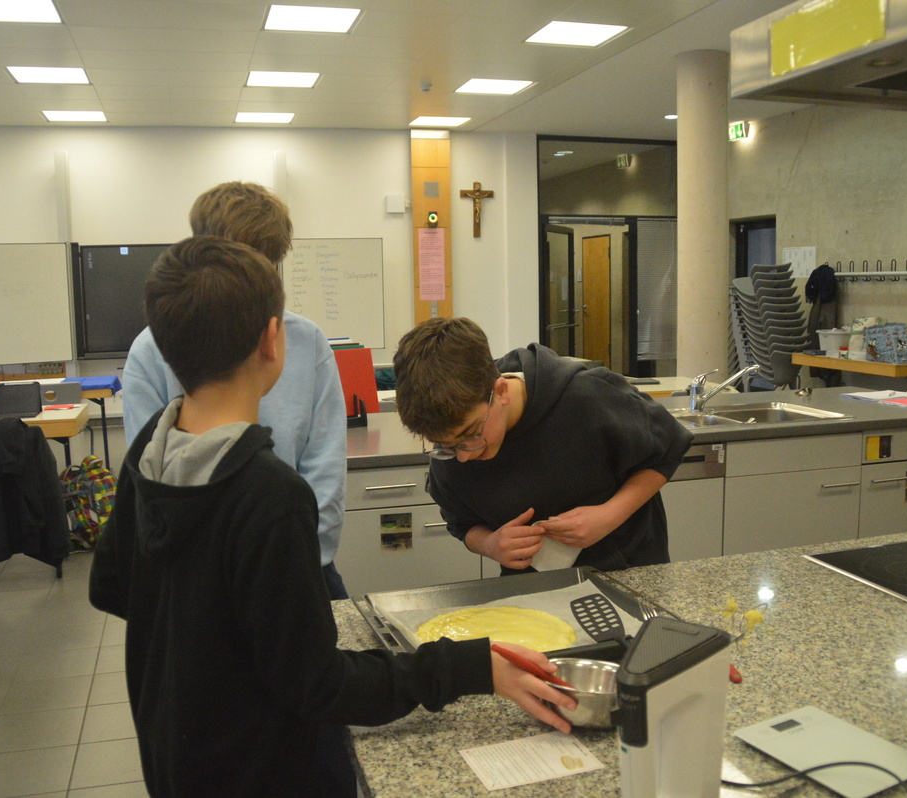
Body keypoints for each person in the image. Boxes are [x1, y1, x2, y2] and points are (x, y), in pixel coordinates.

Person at [89, 237, 575, 797]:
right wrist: (471, 667)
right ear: (272, 340)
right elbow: (319, 684)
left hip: (173, 758)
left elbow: (110, 585)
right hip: (261, 774)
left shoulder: (151, 448)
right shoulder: (268, 493)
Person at [120, 181, 349, 600]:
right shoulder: (151, 350)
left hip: (299, 562)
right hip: (197, 575)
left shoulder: (304, 341)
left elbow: (325, 466)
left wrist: (295, 556)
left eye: (261, 266)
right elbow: (152, 480)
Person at [393, 317, 691, 574]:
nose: (462, 456)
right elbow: (460, 521)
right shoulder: (451, 444)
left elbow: (667, 448)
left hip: (631, 573)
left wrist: (608, 516)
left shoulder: (587, 396)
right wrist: (489, 544)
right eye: (446, 445)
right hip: (532, 588)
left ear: (500, 391)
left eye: (470, 434)